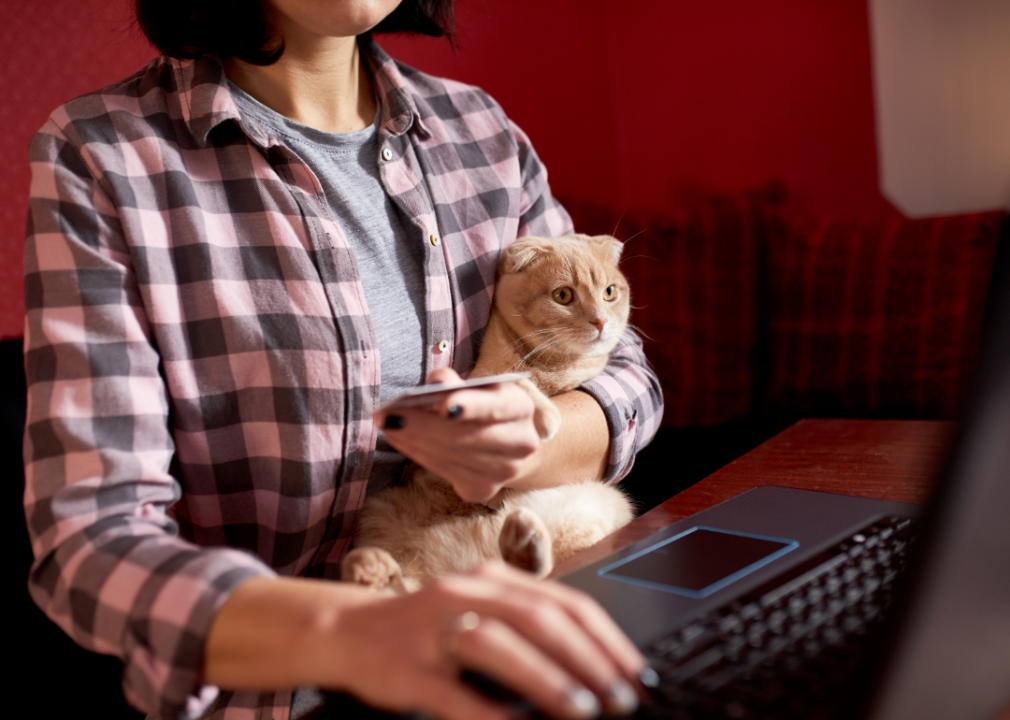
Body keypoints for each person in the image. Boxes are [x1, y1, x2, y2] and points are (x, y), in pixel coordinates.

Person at [22, 0, 664, 718]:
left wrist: (529, 441)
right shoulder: (102, 153)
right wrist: (351, 631)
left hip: (533, 658)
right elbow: (91, 542)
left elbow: (626, 381)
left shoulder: (481, 131)